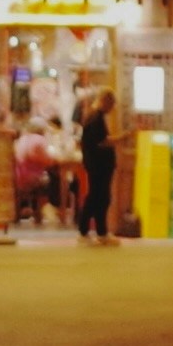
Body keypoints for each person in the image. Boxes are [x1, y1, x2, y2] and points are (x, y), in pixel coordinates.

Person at [75, 89, 117, 242]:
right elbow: (102, 141)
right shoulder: (95, 118)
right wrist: (122, 138)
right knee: (98, 197)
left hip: (97, 164)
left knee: (100, 197)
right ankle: (88, 229)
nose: (112, 109)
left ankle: (99, 231)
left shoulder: (92, 117)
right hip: (99, 165)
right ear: (105, 101)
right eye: (111, 104)